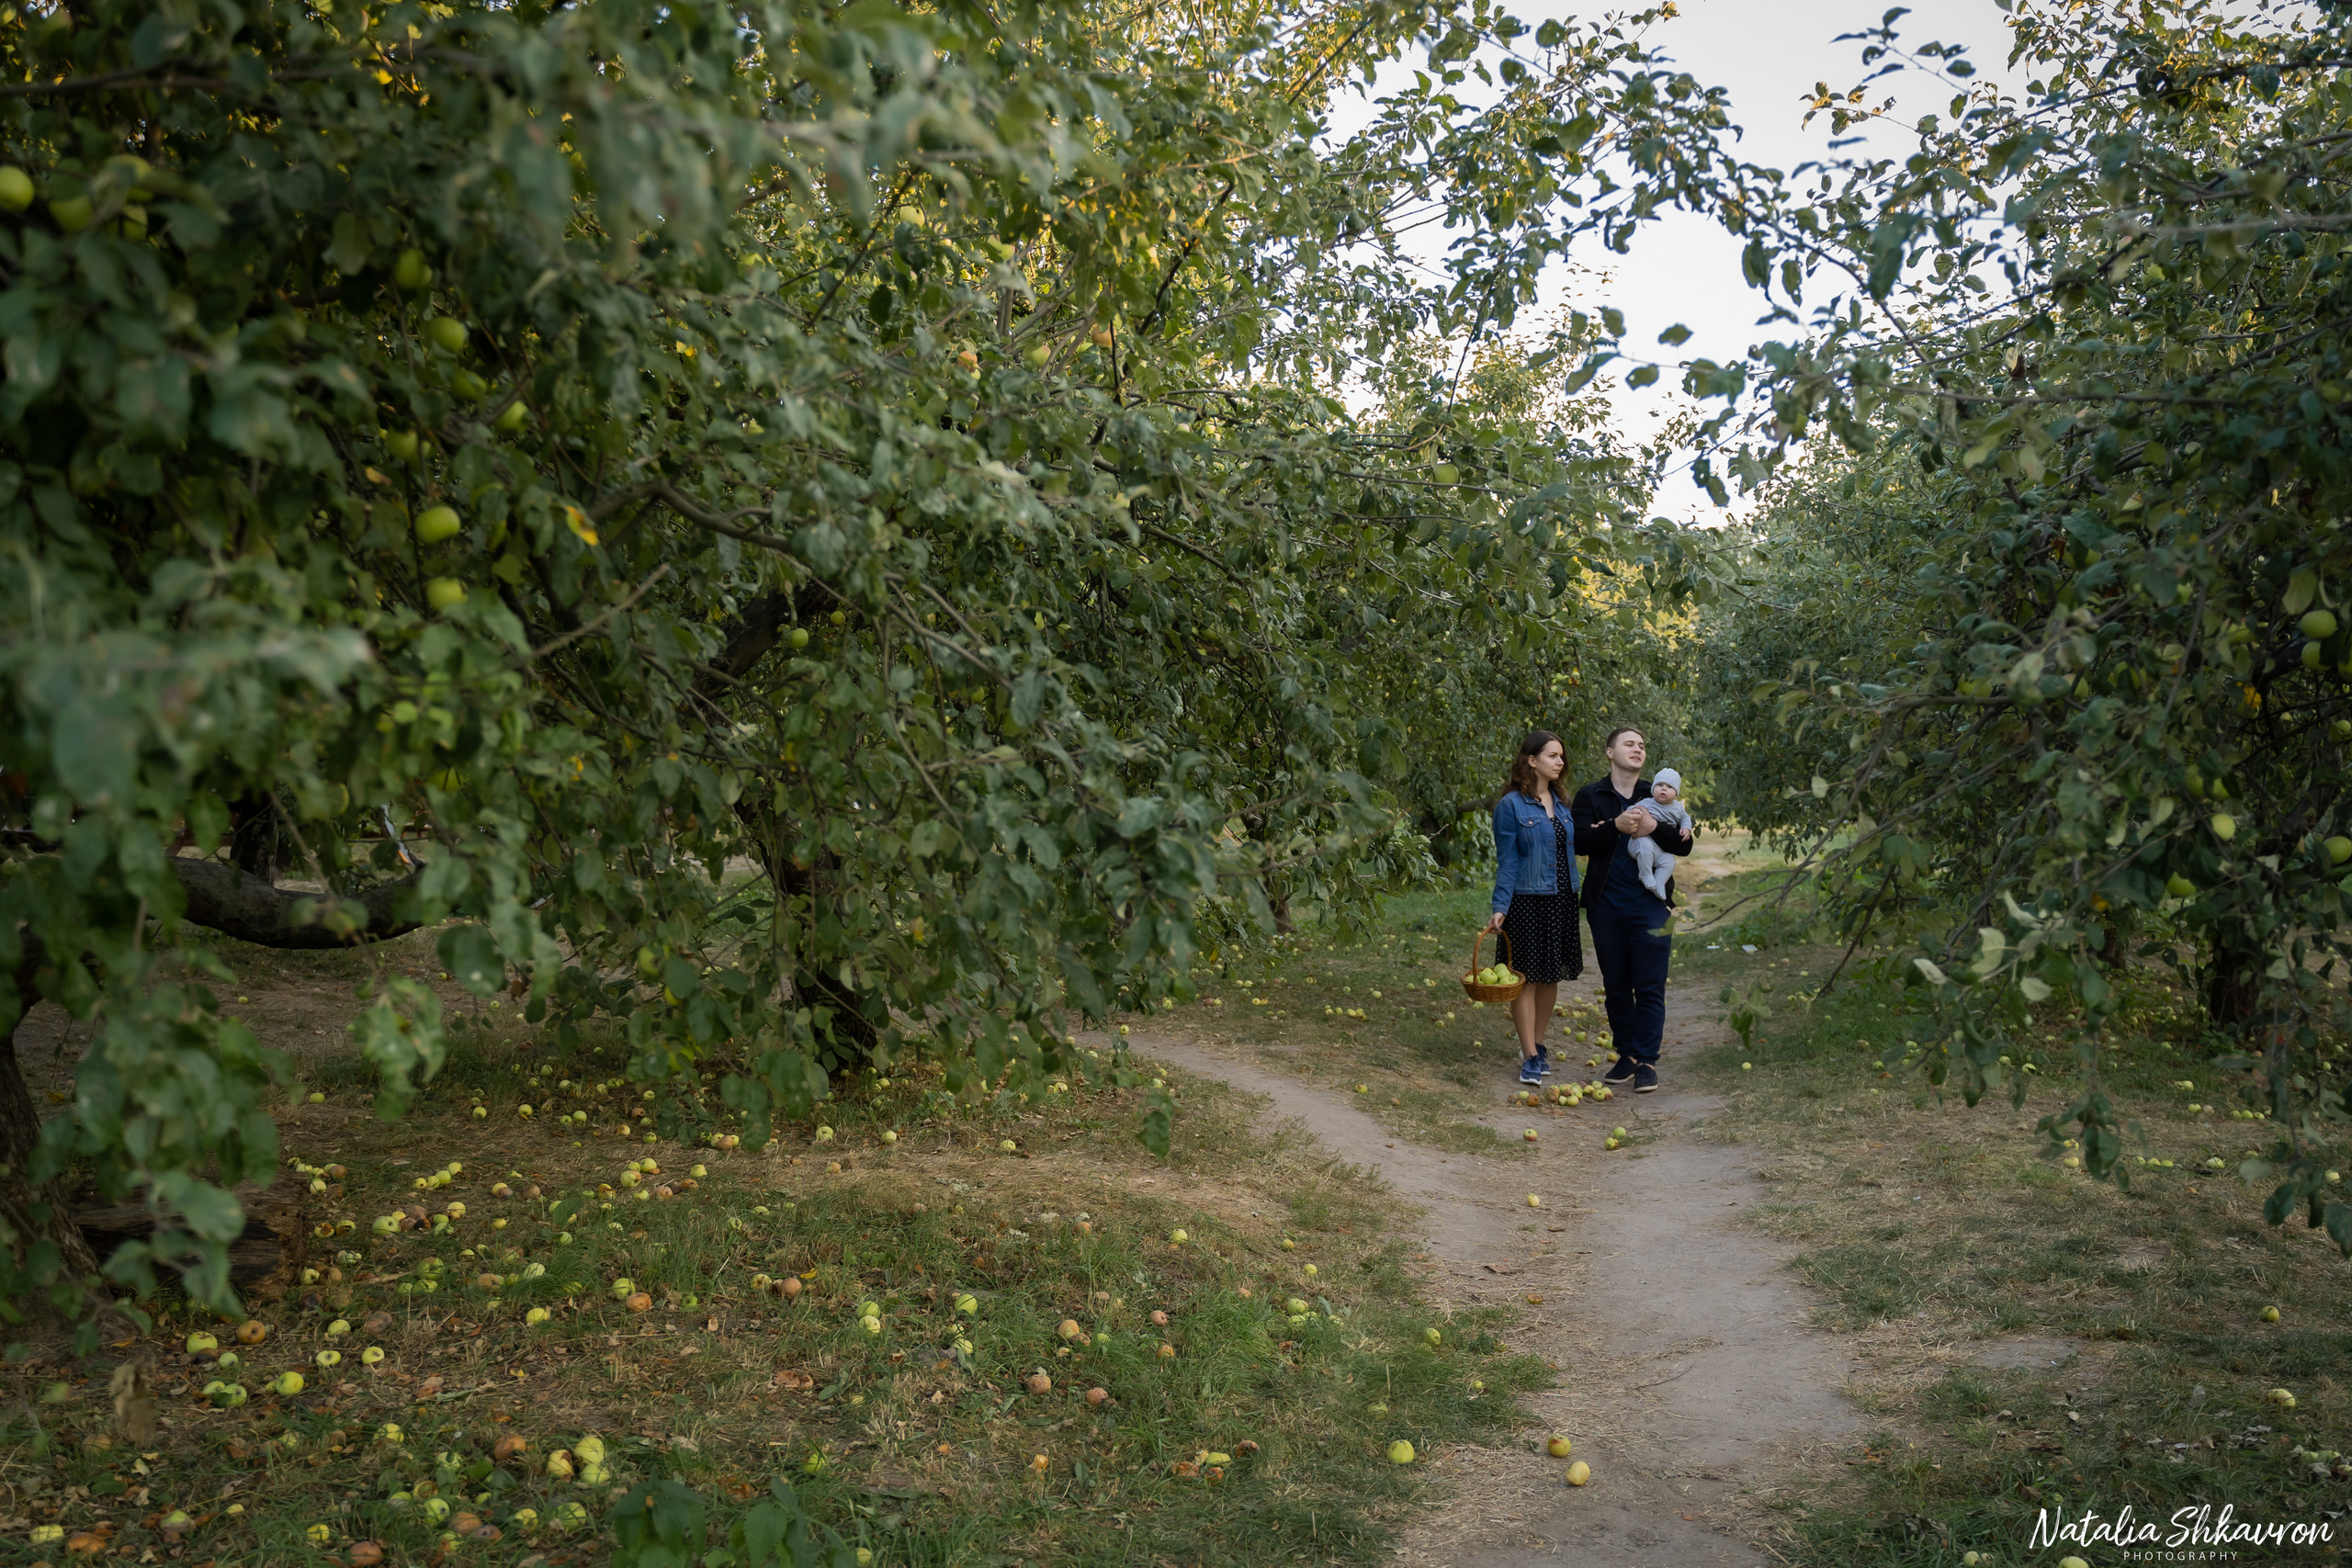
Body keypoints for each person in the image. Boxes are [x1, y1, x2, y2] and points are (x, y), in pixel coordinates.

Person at [1572, 728, 1695, 1093]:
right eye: (1630, 743)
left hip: (1651, 905)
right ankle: (1626, 1055)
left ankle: (1647, 1061)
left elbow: (1684, 845)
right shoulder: (1591, 795)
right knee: (1616, 986)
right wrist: (1615, 826)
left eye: (1642, 745)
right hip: (1606, 904)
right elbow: (1579, 840)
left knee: (1651, 984)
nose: (1638, 748)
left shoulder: (1658, 792)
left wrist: (1654, 826)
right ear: (1610, 752)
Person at [1486, 730, 1581, 1086]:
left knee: (1550, 975)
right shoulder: (1510, 806)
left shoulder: (1562, 802)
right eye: (1553, 756)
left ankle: (1539, 1044)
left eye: (1561, 757)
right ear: (1531, 760)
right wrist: (1500, 906)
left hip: (1562, 898)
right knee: (1524, 979)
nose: (1560, 762)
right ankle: (1528, 1056)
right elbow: (1507, 861)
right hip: (1527, 900)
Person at [1625, 767, 1691, 901]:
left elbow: (1685, 818)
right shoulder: (1648, 803)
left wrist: (1686, 828)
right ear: (1653, 789)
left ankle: (1659, 883)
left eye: (1669, 787)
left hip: (1659, 850)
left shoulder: (1678, 808)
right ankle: (1645, 874)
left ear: (1676, 794)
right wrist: (1634, 811)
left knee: (1669, 861)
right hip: (1639, 843)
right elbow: (1631, 809)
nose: (1663, 789)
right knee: (1646, 845)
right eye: (1660, 785)